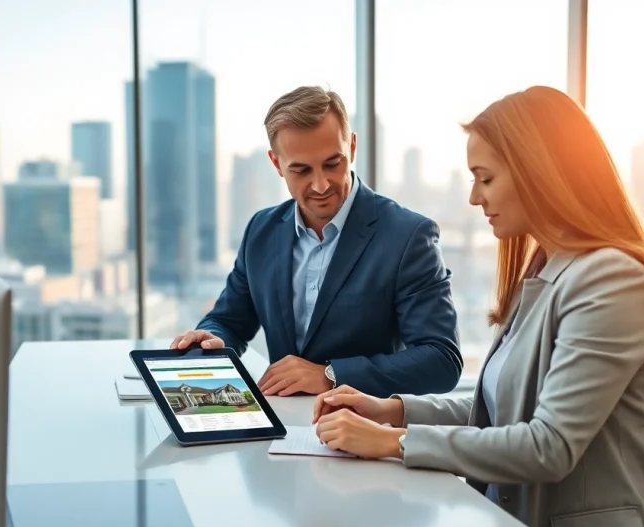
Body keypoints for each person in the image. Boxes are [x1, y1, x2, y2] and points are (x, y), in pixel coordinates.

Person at [311, 85, 644, 527]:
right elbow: (504, 409)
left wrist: (393, 442)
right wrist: (393, 409)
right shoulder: (547, 268)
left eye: (486, 178)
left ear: (539, 172)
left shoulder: (611, 280)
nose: (475, 197)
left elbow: (548, 446)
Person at [170, 86, 463, 399]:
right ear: (276, 164)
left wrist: (330, 375)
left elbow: (441, 360)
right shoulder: (261, 230)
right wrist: (211, 338)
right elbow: (229, 321)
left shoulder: (408, 235)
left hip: (363, 424)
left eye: (332, 163)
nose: (321, 185)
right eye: (301, 170)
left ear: (352, 147)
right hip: (280, 423)